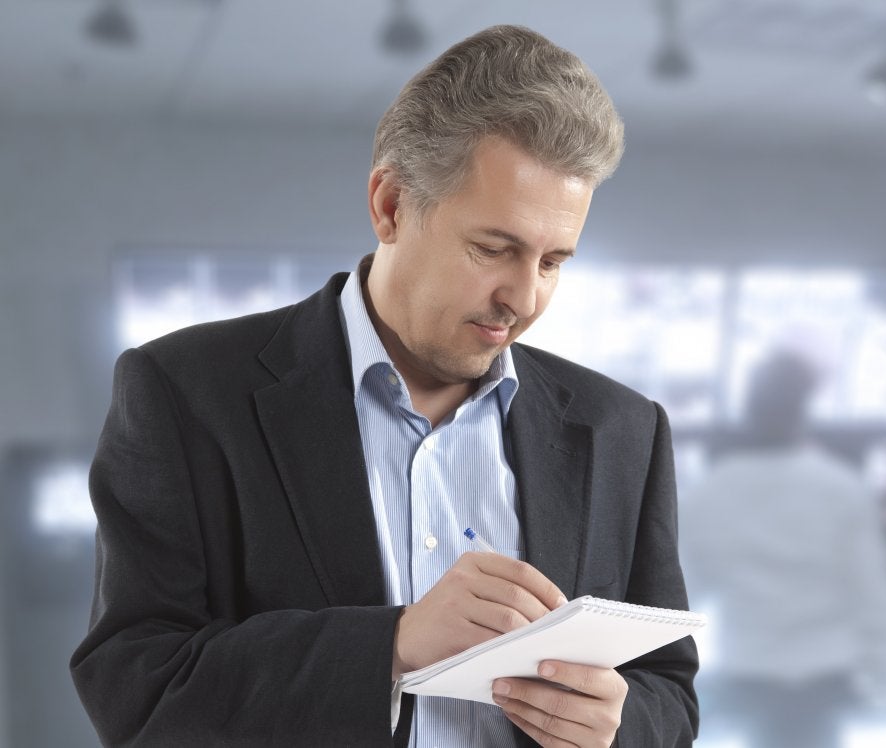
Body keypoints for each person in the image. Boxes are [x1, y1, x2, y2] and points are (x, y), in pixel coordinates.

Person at [69, 25, 697, 748]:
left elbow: (669, 698)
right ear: (391, 206)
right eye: (494, 249)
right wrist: (391, 645)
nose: (523, 298)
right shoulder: (185, 393)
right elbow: (136, 690)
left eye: (553, 261)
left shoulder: (624, 430)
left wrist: (619, 724)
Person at [681, 349, 886, 748]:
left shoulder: (710, 493)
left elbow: (685, 595)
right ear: (804, 411)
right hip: (824, 679)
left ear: (750, 410)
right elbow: (875, 596)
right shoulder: (841, 487)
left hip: (748, 676)